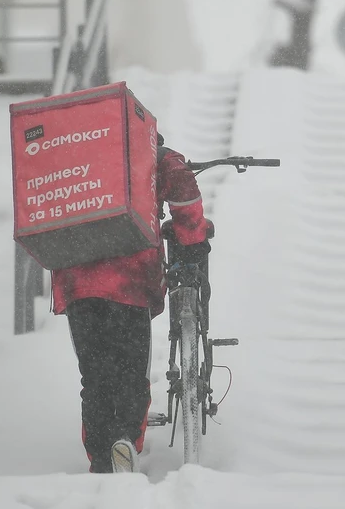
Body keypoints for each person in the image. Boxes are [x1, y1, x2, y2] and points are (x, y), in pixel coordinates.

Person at [50, 135, 211, 474]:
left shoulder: (68, 156)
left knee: (94, 373)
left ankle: (99, 456)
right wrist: (194, 240)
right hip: (128, 279)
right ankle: (124, 440)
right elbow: (185, 193)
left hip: (77, 279)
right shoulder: (152, 154)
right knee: (130, 371)